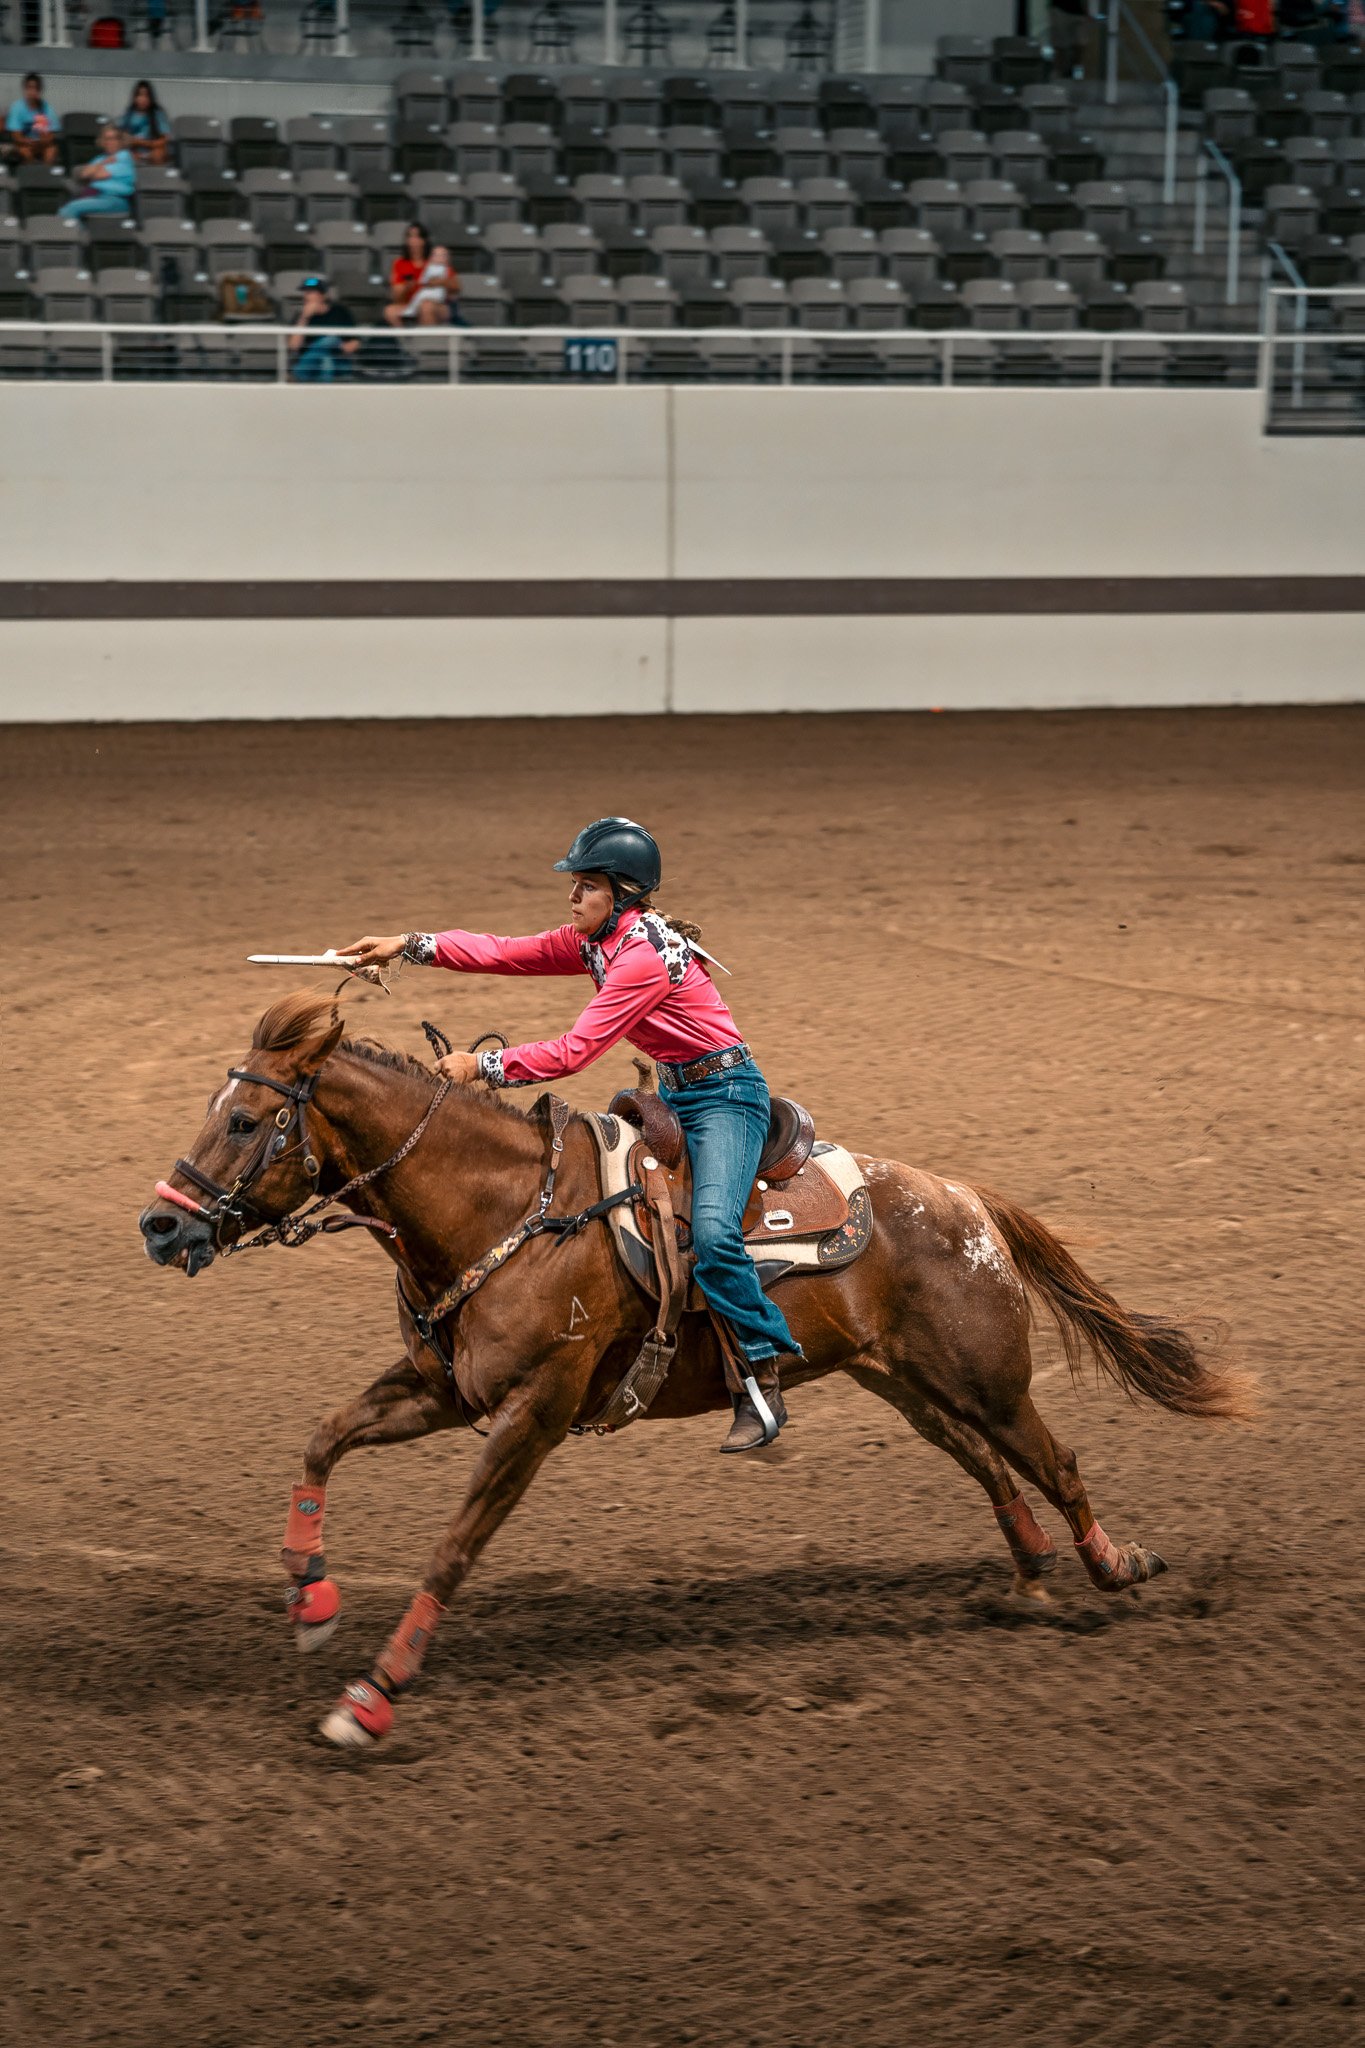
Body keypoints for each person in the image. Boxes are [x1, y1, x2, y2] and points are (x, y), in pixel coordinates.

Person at [336, 818, 804, 1453]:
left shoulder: (639, 958)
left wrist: (483, 1067)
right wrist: (407, 945)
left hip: (726, 1101)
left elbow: (576, 1051)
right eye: (574, 885)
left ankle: (762, 1371)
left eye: (584, 886)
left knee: (716, 1236)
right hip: (677, 1093)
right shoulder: (600, 941)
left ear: (621, 893)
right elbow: (504, 951)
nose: (572, 897)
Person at [288, 274, 361, 382]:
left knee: (330, 342)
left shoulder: (340, 311)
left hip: (339, 360)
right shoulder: (300, 316)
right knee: (326, 357)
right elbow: (294, 346)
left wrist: (346, 346)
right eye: (305, 292)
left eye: (310, 292)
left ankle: (298, 373)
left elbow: (356, 342)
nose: (305, 296)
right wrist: (304, 318)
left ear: (323, 296)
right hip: (309, 364)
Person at [59, 121, 137, 221]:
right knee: (69, 204)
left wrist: (94, 171)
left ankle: (76, 236)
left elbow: (100, 175)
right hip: (95, 196)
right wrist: (103, 163)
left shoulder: (124, 156)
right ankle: (80, 234)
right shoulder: (99, 159)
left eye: (113, 139)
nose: (110, 142)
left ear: (120, 141)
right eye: (106, 139)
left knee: (70, 209)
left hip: (115, 199)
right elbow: (84, 174)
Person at [4, 72, 61, 166]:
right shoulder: (17, 107)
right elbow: (16, 136)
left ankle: (44, 176)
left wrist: (42, 141)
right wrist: (28, 141)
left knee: (51, 151)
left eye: (35, 88)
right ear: (25, 89)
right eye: (29, 88)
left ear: (40, 90)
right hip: (24, 144)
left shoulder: (46, 108)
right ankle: (31, 175)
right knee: (25, 152)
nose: (32, 91)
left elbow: (51, 135)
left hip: (42, 145)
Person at [120, 79, 171, 165]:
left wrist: (142, 142)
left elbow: (164, 140)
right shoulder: (129, 114)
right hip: (133, 152)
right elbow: (121, 135)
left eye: (146, 96)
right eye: (140, 95)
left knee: (158, 154)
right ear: (135, 97)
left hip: (152, 151)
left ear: (151, 98)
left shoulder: (158, 113)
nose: (143, 99)